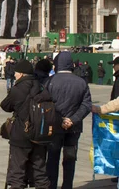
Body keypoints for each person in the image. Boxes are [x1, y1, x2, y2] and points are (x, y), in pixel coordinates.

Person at [0, 59, 50, 189]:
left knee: (17, 172)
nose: (15, 75)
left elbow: (5, 106)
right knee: (40, 171)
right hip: (40, 133)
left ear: (21, 74)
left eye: (16, 72)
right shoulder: (41, 86)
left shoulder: (17, 89)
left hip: (21, 134)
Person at [45, 51, 92, 189]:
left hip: (54, 128)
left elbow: (45, 104)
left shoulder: (50, 82)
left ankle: (52, 186)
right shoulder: (81, 82)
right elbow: (86, 104)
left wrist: (59, 120)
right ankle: (67, 186)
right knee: (70, 160)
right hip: (74, 128)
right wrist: (73, 120)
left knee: (52, 159)